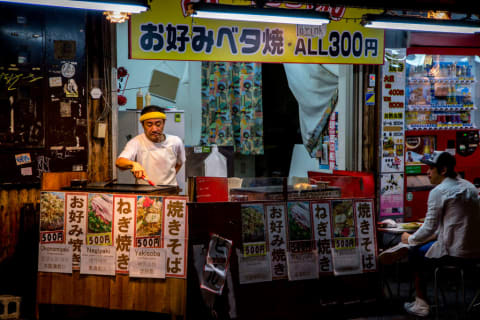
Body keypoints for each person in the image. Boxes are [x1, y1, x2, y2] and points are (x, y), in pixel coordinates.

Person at [379, 150, 480, 317]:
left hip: (453, 252)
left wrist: (410, 238)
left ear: (443, 170)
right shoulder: (469, 187)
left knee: (415, 253)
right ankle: (404, 247)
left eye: (431, 168)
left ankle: (421, 303)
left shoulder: (439, 191)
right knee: (423, 243)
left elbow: (429, 228)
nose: (427, 172)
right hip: (475, 250)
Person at [116, 105, 185, 186]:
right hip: (144, 191)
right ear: (142, 125)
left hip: (169, 191)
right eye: (149, 125)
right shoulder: (136, 142)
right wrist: (133, 164)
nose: (154, 129)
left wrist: (168, 180)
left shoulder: (175, 141)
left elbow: (179, 163)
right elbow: (119, 162)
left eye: (158, 124)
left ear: (164, 123)